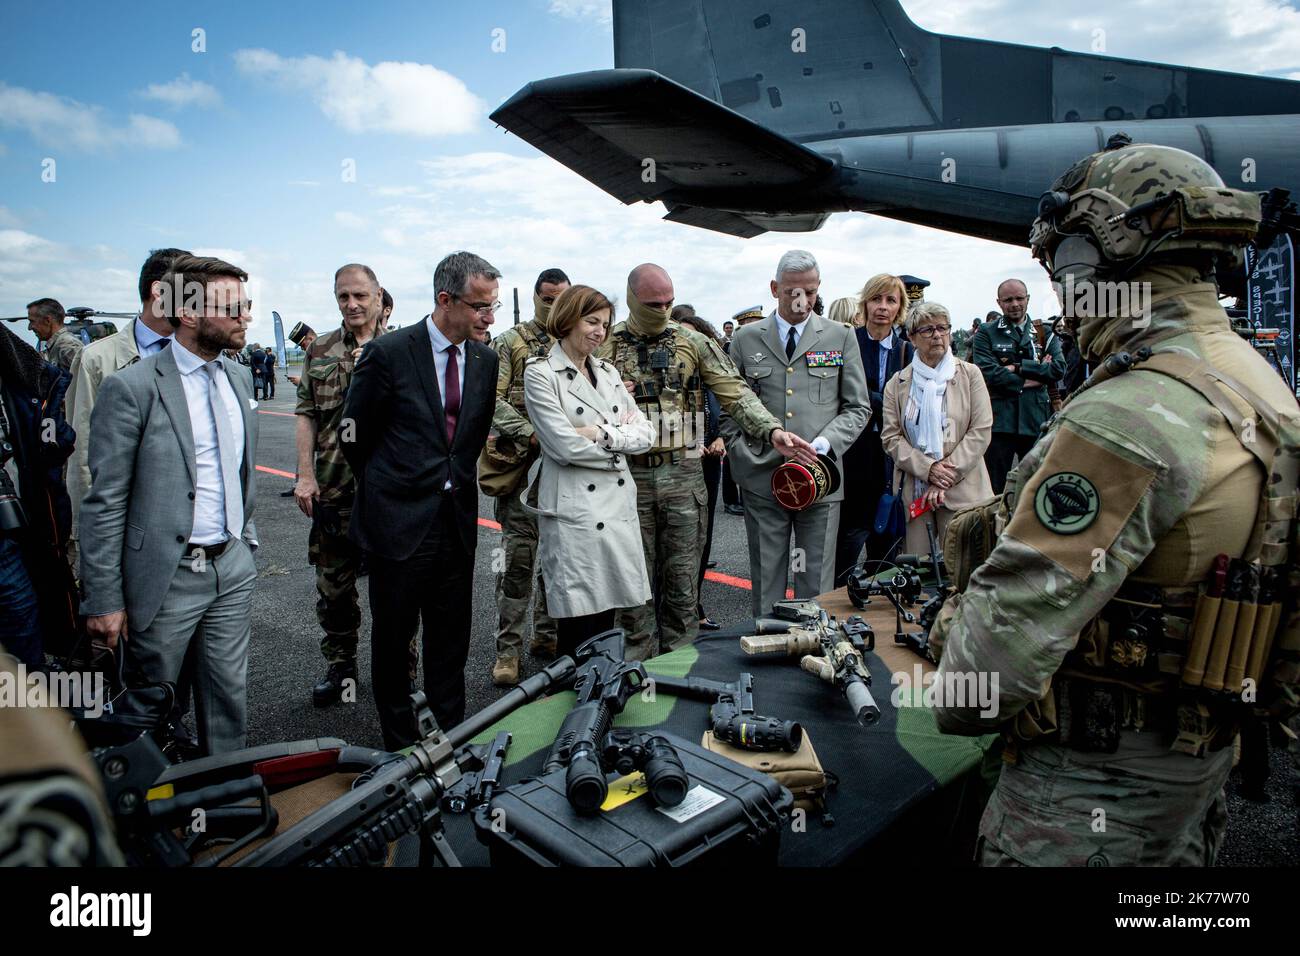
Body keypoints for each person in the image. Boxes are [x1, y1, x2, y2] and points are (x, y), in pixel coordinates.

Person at [931, 140, 1300, 866]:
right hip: (1190, 769)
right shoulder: (1251, 378)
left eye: (1063, 268)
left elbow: (981, 682)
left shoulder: (1127, 417)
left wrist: (952, 628)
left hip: (1083, 796)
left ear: (1091, 263)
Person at [79, 254, 259, 756]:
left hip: (231, 568)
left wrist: (245, 541)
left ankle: (227, 796)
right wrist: (104, 599)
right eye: (232, 307)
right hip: (166, 575)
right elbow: (105, 501)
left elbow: (238, 471)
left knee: (228, 697)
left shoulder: (238, 379)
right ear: (187, 313)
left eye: (247, 304)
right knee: (152, 705)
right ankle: (149, 812)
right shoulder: (130, 387)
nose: (245, 315)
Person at [595, 264, 812, 660]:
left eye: (668, 303)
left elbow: (736, 393)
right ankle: (632, 671)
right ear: (630, 300)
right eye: (652, 304)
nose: (662, 311)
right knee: (632, 586)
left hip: (682, 472)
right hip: (628, 479)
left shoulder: (690, 342)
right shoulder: (605, 347)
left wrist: (772, 431)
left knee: (682, 585)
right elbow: (573, 403)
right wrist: (608, 395)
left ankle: (678, 669)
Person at [341, 251, 500, 750]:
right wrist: (397, 482)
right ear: (445, 300)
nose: (489, 318)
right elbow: (353, 435)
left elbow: (468, 439)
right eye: (480, 307)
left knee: (451, 641)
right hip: (399, 524)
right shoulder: (389, 353)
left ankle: (451, 740)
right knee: (392, 643)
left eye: (493, 306)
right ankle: (400, 749)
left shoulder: (485, 358)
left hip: (454, 522)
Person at [725, 250, 870, 618]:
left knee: (812, 576)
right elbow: (728, 405)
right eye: (791, 291)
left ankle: (811, 648)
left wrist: (822, 447)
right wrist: (742, 453)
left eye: (809, 291)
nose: (801, 300)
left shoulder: (840, 336)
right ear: (775, 289)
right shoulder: (746, 339)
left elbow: (858, 408)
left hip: (818, 481)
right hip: (763, 478)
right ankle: (766, 646)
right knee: (767, 574)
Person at [524, 285, 654, 657]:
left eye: (605, 324)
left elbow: (646, 434)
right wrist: (620, 443)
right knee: (579, 620)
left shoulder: (609, 373)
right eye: (591, 321)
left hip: (614, 507)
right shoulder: (542, 374)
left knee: (607, 616)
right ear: (567, 320)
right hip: (576, 510)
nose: (600, 331)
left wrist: (600, 434)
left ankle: (600, 697)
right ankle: (572, 703)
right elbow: (562, 446)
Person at [294, 264, 385, 706]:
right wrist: (304, 476)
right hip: (333, 490)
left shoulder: (400, 347)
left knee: (393, 591)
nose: (351, 305)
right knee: (334, 591)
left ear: (377, 295)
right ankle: (341, 667)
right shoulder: (322, 349)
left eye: (360, 296)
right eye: (343, 297)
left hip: (387, 495)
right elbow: (306, 412)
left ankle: (398, 674)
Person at [481, 267, 569, 686]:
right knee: (517, 562)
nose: (554, 306)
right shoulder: (511, 343)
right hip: (523, 468)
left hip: (566, 471)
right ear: (536, 297)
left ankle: (546, 636)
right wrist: (530, 432)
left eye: (561, 298)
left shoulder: (575, 344)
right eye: (548, 298)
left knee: (558, 560)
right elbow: (488, 400)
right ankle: (507, 650)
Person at [880, 301, 992, 555]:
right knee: (917, 571)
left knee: (963, 568)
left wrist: (944, 477)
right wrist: (928, 469)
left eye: (943, 328)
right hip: (916, 491)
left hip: (964, 489)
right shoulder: (897, 384)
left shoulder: (970, 374)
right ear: (911, 337)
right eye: (928, 330)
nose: (937, 335)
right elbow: (891, 437)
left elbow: (981, 430)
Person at [0, 322, 77, 666]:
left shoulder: (19, 372)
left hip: (14, 527)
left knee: (22, 624)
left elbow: (48, 388)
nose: (31, 327)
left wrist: (51, 434)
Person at [834, 274, 914, 585]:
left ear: (899, 308)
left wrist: (871, 399)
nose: (882, 307)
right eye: (876, 299)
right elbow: (838, 396)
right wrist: (883, 400)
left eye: (890, 300)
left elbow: (907, 406)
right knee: (847, 544)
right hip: (853, 453)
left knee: (887, 548)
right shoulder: (846, 342)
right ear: (865, 303)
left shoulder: (907, 351)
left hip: (891, 455)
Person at [971, 279, 1063, 493]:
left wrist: (1018, 368)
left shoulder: (1044, 332)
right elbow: (989, 373)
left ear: (1028, 299)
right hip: (1000, 421)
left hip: (1036, 420)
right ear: (999, 303)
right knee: (994, 488)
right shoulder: (986, 332)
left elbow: (1058, 369)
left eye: (1019, 298)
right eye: (1008, 299)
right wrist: (1036, 376)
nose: (1015, 304)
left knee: (1036, 486)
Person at [677, 314, 727, 630]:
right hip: (678, 465)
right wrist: (687, 444)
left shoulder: (709, 374)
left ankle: (695, 605)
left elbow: (724, 411)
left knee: (702, 537)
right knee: (676, 540)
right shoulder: (668, 374)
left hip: (708, 462)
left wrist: (721, 437)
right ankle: (677, 611)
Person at [26, 298, 83, 375]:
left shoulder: (67, 346)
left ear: (47, 321)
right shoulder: (55, 346)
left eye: (32, 321)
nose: (29, 328)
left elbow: (85, 378)